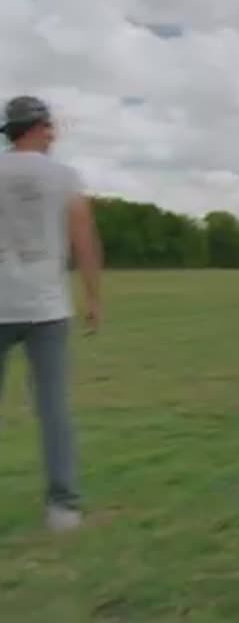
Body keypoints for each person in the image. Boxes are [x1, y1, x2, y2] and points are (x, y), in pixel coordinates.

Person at [0, 95, 102, 532]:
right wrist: (94, 297)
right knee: (53, 409)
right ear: (37, 128)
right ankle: (63, 508)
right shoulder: (64, 177)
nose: (54, 134)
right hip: (47, 307)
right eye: (49, 127)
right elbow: (84, 239)